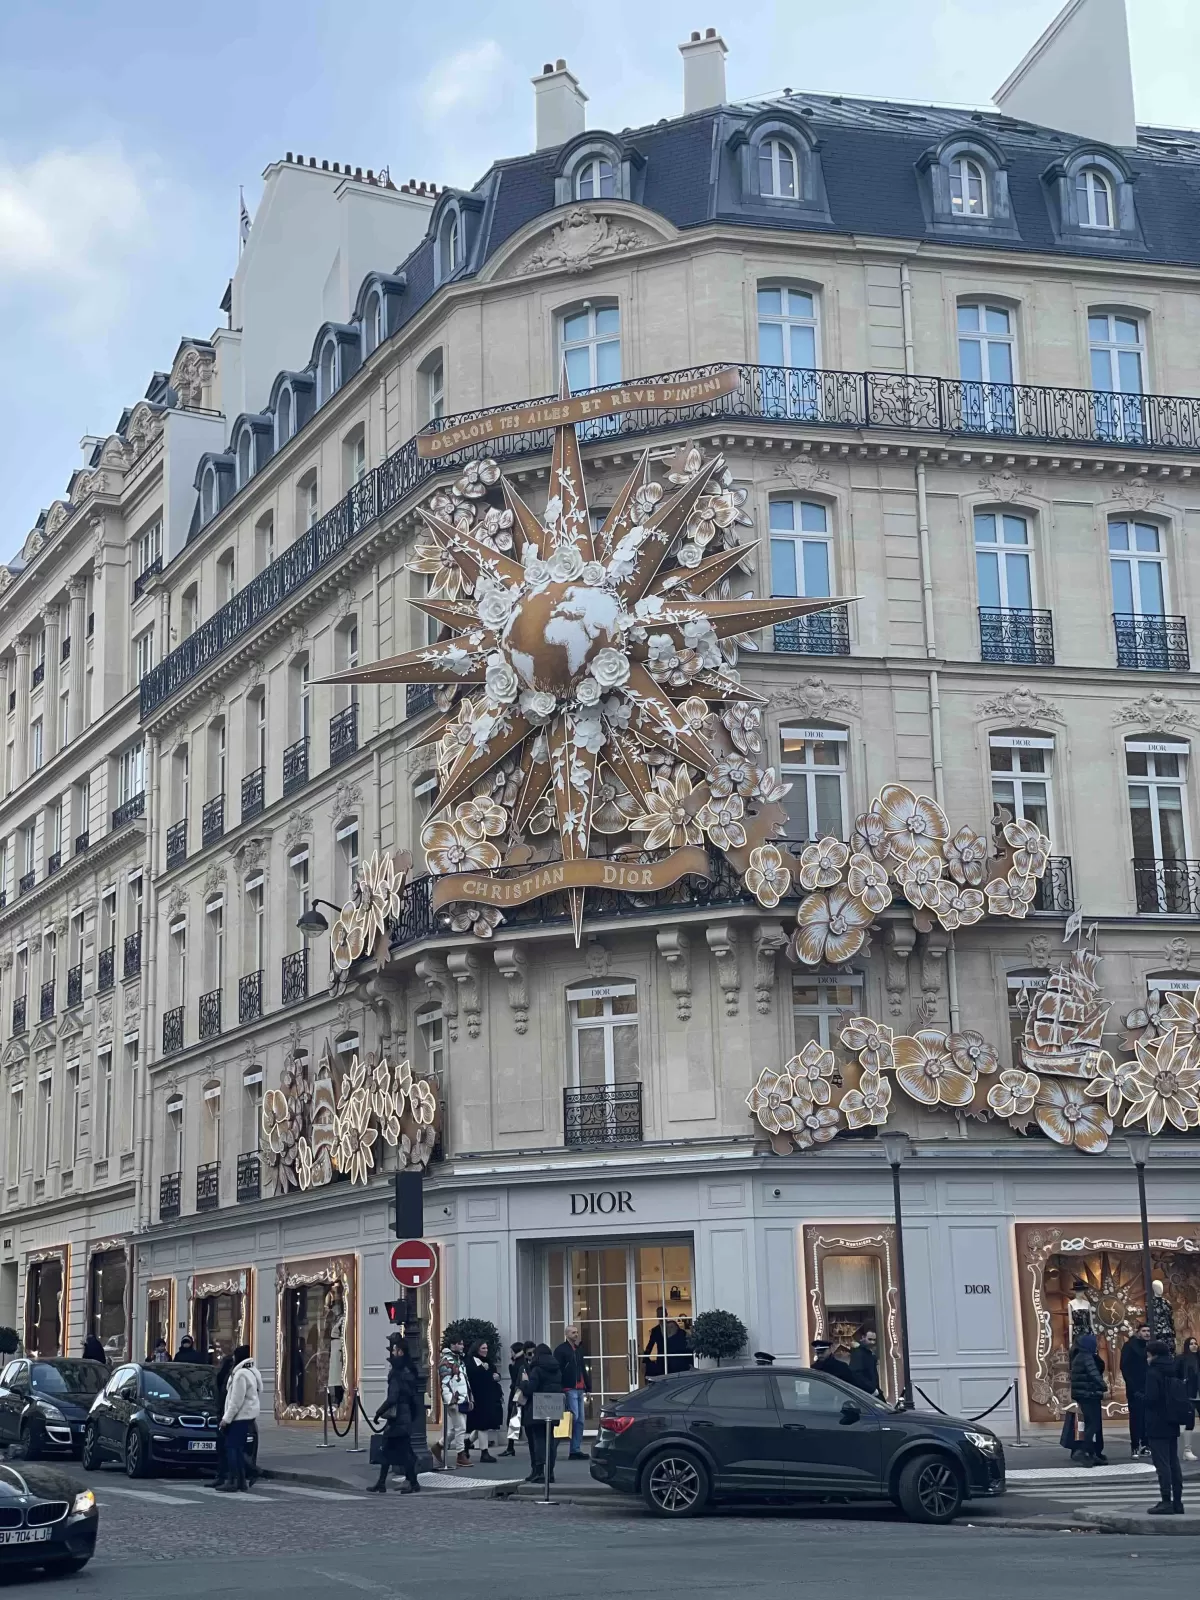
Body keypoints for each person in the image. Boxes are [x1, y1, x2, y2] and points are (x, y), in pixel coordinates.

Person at [368, 1331, 421, 1495]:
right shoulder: (409, 1371)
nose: (392, 1352)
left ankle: (412, 1483)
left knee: (401, 1452)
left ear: (400, 1352)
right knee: (389, 1450)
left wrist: (378, 1413)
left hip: (398, 1418)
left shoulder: (397, 1373)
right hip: (404, 1416)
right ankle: (382, 1483)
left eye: (394, 1349)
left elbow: (392, 1398)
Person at [1144, 1338, 1187, 1514]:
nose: (1146, 1358)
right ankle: (1178, 1501)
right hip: (1172, 1421)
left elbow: (1152, 1399)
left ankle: (1166, 1501)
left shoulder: (1153, 1372)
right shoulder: (1172, 1369)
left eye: (1148, 1355)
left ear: (1153, 1355)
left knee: (1162, 1463)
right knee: (1173, 1462)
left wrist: (1141, 1398)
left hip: (1157, 1422)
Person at [217, 1344, 262, 1493]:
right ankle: (241, 1481)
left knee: (232, 1448)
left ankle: (234, 1480)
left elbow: (236, 1401)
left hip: (239, 1417)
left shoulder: (240, 1375)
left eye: (235, 1356)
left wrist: (226, 1419)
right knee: (237, 1448)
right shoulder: (251, 1372)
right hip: (246, 1416)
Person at [520, 1343, 562, 1485]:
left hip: (537, 1409)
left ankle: (539, 1472)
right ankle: (550, 1473)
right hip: (553, 1408)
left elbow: (529, 1389)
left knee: (538, 1441)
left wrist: (524, 1382)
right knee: (550, 1441)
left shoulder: (537, 1369)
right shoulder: (557, 1369)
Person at [1069, 1332, 1108, 1466]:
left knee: (1091, 1423)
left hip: (1084, 1393)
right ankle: (1083, 1450)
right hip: (1089, 1394)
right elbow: (1094, 1373)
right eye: (1094, 1342)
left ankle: (1091, 1452)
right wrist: (1103, 1386)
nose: (1096, 1344)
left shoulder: (1080, 1355)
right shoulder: (1086, 1357)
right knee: (1093, 1424)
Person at [432, 1335, 470, 1468]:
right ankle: (460, 1454)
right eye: (460, 1343)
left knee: (454, 1429)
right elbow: (444, 1383)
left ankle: (438, 1446)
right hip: (455, 1400)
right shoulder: (446, 1361)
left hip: (461, 1398)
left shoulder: (458, 1360)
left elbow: (463, 1381)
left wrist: (469, 1397)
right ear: (452, 1345)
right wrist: (450, 1401)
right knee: (461, 1428)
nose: (462, 1346)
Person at [554, 1326, 591, 1461]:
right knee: (573, 1419)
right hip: (569, 1389)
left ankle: (575, 1450)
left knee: (580, 1420)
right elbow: (558, 1370)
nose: (576, 1335)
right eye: (573, 1332)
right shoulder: (561, 1350)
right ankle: (559, 1446)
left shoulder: (578, 1350)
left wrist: (588, 1388)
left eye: (576, 1332)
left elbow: (583, 1369)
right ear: (566, 1334)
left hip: (580, 1389)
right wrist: (561, 1388)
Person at [465, 1340, 504, 1464]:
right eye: (483, 1348)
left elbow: (495, 1373)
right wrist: (487, 1373)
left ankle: (467, 1443)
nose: (486, 1350)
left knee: (482, 1425)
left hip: (489, 1396)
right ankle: (484, 1452)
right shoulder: (470, 1362)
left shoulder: (488, 1361)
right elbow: (475, 1378)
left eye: (486, 1348)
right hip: (478, 1397)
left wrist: (496, 1376)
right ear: (477, 1349)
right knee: (482, 1425)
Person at [1119, 1323, 1151, 1458]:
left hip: (1148, 1387)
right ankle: (1135, 1446)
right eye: (1144, 1331)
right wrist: (1133, 1387)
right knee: (1136, 1418)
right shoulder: (1129, 1346)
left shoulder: (1150, 1347)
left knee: (1147, 1417)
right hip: (1135, 1389)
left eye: (1148, 1331)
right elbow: (1125, 1368)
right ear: (1138, 1332)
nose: (1147, 1333)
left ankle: (1145, 1445)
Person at [211, 1352, 235, 1489]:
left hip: (226, 1416)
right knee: (224, 1448)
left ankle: (230, 1477)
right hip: (223, 1414)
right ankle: (222, 1476)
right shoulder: (225, 1377)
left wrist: (225, 1418)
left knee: (230, 1448)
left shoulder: (231, 1378)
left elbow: (232, 1400)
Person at [503, 1342, 530, 1457]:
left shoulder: (518, 1364)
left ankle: (510, 1447)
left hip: (517, 1393)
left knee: (514, 1418)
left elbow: (516, 1379)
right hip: (519, 1392)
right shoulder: (523, 1362)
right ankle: (510, 1447)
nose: (511, 1354)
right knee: (518, 1419)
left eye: (512, 1351)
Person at [1180, 1336, 1200, 1462]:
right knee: (1189, 1423)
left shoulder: (1198, 1358)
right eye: (1191, 1343)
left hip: (1198, 1394)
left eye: (1195, 1343)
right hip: (1189, 1395)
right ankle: (1187, 1450)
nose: (1194, 1345)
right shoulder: (1182, 1359)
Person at [848, 1329, 883, 1398]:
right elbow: (856, 1374)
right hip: (865, 1392)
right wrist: (871, 1389)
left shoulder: (868, 1353)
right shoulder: (858, 1353)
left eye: (874, 1340)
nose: (872, 1342)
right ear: (863, 1337)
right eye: (869, 1339)